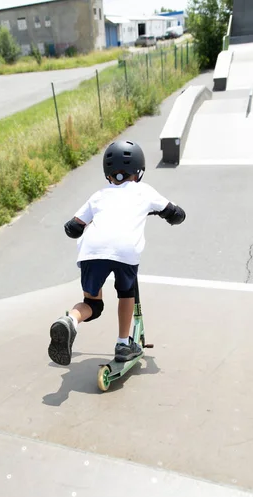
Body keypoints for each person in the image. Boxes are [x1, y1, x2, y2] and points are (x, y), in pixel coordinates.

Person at [48, 139, 186, 367]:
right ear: (139, 170)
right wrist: (166, 214)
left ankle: (70, 320)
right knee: (126, 292)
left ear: (108, 173)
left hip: (91, 251)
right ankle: (123, 343)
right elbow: (177, 214)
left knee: (93, 304)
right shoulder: (144, 191)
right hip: (125, 251)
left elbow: (72, 228)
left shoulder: (98, 196)